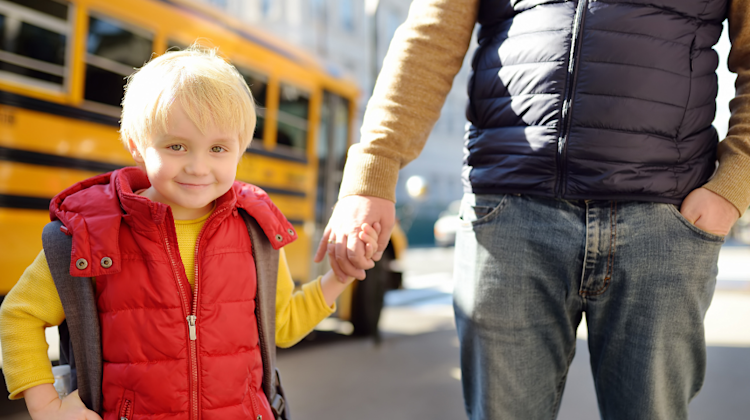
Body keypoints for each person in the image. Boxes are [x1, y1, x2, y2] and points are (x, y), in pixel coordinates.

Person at [316, 0, 750, 419]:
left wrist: (734, 185)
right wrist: (376, 163)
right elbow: (431, 35)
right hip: (509, 215)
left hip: (662, 220)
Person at [0, 45, 379, 420]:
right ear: (137, 146)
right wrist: (45, 405)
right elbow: (20, 314)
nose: (198, 167)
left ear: (240, 150)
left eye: (217, 148)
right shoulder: (91, 232)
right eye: (177, 146)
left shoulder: (255, 233)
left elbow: (281, 325)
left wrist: (338, 277)